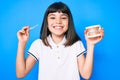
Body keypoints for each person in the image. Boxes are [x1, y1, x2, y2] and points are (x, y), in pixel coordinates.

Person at [16, 2, 104, 80]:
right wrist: (22, 43)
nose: (58, 21)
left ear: (69, 22)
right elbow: (21, 74)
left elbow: (86, 75)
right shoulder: (38, 45)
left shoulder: (76, 44)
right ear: (46, 22)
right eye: (53, 17)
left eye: (63, 18)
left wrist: (90, 45)